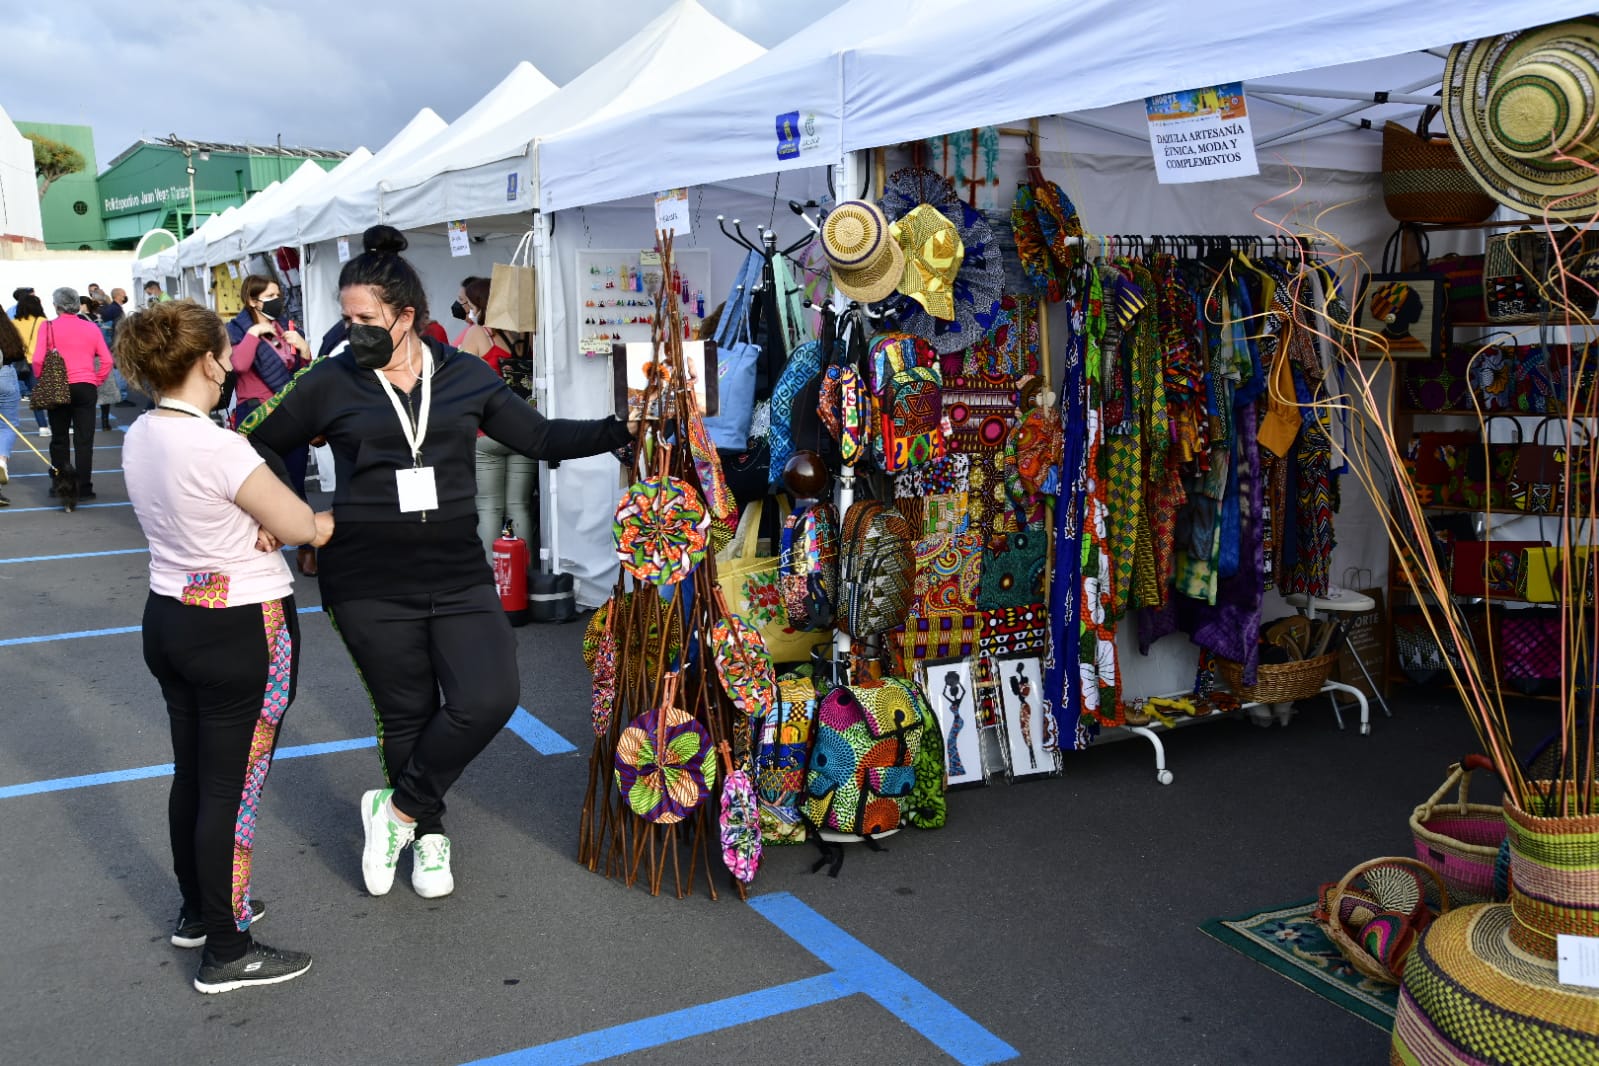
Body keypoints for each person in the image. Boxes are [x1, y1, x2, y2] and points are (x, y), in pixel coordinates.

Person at [240, 225, 633, 900]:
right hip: (365, 577)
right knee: (407, 715)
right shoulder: (330, 381)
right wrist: (289, 517)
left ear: (406, 317)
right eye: (346, 317)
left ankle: (393, 810)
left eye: (365, 319)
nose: (352, 329)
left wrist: (619, 430)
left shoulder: (464, 376)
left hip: (456, 571)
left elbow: (536, 436)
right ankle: (428, 836)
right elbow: (258, 444)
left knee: (489, 698)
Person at [118, 299, 333, 993]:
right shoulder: (217, 444)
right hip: (242, 625)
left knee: (197, 774)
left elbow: (207, 513)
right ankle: (228, 943)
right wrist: (307, 522)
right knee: (230, 790)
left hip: (171, 614)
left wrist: (256, 524)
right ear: (211, 360)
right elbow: (300, 522)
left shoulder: (144, 430)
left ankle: (200, 910)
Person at [229, 275, 315, 574]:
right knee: (258, 486)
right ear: (253, 300)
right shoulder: (238, 330)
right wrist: (254, 333)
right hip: (255, 417)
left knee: (294, 482)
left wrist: (304, 351)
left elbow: (303, 376)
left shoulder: (286, 329)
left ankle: (307, 549)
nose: (278, 299)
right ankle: (257, 548)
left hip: (288, 414)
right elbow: (237, 365)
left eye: (278, 293)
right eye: (270, 294)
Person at [457, 276, 534, 560]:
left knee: (489, 506)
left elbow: (461, 383)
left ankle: (494, 579)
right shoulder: (527, 334)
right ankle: (523, 576)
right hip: (525, 428)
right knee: (521, 506)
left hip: (487, 432)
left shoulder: (478, 334)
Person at [33, 287, 112, 498]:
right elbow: (107, 360)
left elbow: (38, 359)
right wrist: (97, 379)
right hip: (85, 384)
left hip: (59, 385)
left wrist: (43, 379)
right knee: (84, 439)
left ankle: (60, 483)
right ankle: (84, 486)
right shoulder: (91, 328)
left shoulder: (48, 327)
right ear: (77, 305)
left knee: (59, 438)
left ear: (57, 305)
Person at [0, 307, 27, 506]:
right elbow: (18, 352)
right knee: (8, 424)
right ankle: (1, 459)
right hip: (5, 375)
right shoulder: (6, 330)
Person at [11, 291, 47, 436]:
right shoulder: (42, 322)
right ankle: (59, 424)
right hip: (41, 361)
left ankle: (42, 427)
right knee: (52, 394)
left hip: (21, 363)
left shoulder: (15, 323)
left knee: (32, 396)